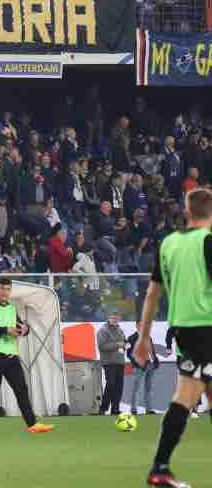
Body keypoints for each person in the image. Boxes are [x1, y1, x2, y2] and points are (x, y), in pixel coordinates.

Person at [133, 187, 212, 488]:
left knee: (199, 393)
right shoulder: (208, 242)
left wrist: (143, 339)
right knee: (188, 395)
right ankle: (160, 467)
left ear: (188, 211)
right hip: (207, 327)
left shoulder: (168, 245)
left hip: (182, 329)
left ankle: (161, 468)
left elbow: (152, 295)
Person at [0, 277, 54, 435]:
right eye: (2, 288)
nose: (4, 292)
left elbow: (20, 326)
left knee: (21, 389)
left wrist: (24, 330)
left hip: (11, 356)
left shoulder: (11, 307)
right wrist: (5, 330)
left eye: (8, 289)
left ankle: (32, 424)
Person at [97, 311, 126, 415]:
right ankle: (103, 408)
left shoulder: (120, 330)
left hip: (120, 362)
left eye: (116, 318)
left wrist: (125, 345)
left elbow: (123, 343)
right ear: (108, 318)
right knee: (111, 385)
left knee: (119, 387)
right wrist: (117, 344)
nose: (114, 320)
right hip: (109, 363)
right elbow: (102, 346)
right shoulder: (103, 331)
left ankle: (115, 409)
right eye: (112, 318)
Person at [126, 329, 160, 415]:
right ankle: (134, 410)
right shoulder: (132, 338)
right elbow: (129, 354)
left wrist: (155, 361)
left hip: (150, 365)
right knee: (136, 388)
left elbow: (152, 350)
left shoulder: (148, 337)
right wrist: (138, 364)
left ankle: (149, 409)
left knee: (148, 388)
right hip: (140, 367)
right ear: (137, 325)